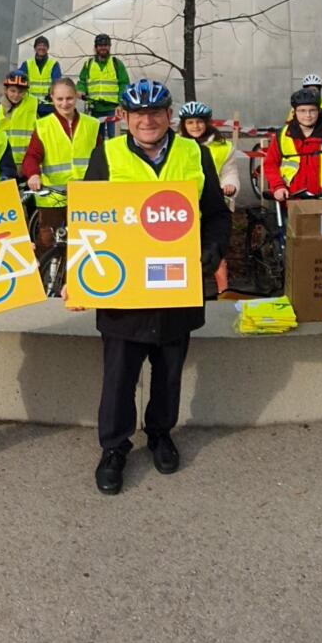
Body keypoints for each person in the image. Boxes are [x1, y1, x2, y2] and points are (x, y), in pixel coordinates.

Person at [84, 80, 231, 495]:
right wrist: (81, 277)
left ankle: (160, 433)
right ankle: (114, 448)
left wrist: (213, 247)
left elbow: (217, 214)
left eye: (156, 112)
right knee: (118, 377)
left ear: (170, 116)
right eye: (138, 114)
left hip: (175, 284)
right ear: (125, 119)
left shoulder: (194, 153)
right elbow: (88, 222)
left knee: (168, 372)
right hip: (124, 290)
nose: (147, 121)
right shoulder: (107, 155)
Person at [22, 77, 101, 253]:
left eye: (69, 98)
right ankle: (47, 280)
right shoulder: (43, 126)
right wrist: (33, 174)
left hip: (85, 196)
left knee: (84, 245)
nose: (65, 103)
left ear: (76, 97)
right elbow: (32, 156)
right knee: (47, 245)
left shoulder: (92, 125)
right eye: (60, 99)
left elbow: (101, 157)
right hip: (52, 198)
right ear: (52, 98)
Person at [177, 100, 240, 294]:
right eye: (190, 122)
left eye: (199, 122)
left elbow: (229, 172)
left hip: (213, 203)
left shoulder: (222, 147)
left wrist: (230, 186)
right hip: (185, 206)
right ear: (183, 125)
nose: (195, 126)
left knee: (215, 250)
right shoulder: (176, 146)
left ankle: (224, 292)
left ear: (207, 123)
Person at [263, 87, 322, 200]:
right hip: (290, 198)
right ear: (294, 112)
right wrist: (278, 186)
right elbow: (270, 164)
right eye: (302, 110)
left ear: (319, 111)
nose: (308, 115)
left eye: (312, 110)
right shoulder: (282, 136)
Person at [77, 34, 130, 137]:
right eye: (100, 45)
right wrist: (80, 90)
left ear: (109, 47)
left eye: (106, 45)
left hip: (113, 108)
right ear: (96, 47)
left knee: (114, 137)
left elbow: (124, 84)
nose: (103, 47)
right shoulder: (88, 64)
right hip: (94, 108)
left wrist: (121, 102)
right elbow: (82, 81)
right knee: (97, 138)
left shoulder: (116, 63)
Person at [0, 69, 39, 167]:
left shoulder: (35, 104)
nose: (16, 95)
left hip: (28, 162)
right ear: (5, 90)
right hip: (3, 163)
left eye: (21, 92)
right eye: (12, 91)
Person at [22, 34, 61, 115]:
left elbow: (57, 82)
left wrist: (52, 93)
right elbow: (19, 79)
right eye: (39, 45)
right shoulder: (27, 64)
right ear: (35, 48)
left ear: (48, 48)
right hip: (31, 105)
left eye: (44, 45)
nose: (42, 48)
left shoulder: (53, 64)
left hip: (48, 106)